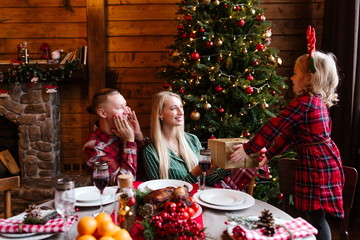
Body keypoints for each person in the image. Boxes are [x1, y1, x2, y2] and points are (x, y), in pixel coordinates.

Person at [230, 34, 344, 239]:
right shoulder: (312, 102)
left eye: (294, 73)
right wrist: (270, 153)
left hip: (317, 166)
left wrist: (249, 148)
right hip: (321, 161)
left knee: (317, 218)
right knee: (314, 216)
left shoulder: (305, 103)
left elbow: (274, 126)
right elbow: (289, 134)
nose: (291, 78)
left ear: (308, 78)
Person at [143, 91, 229, 185]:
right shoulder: (150, 152)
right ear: (160, 114)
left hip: (201, 197)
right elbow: (161, 192)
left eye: (181, 107)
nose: (181, 112)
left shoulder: (192, 140)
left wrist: (228, 166)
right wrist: (194, 174)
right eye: (173, 108)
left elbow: (207, 180)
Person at [83, 88, 149, 185]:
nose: (127, 111)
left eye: (126, 105)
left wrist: (138, 135)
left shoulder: (122, 133)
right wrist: (129, 142)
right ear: (102, 113)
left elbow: (149, 161)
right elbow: (124, 184)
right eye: (120, 107)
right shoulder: (93, 147)